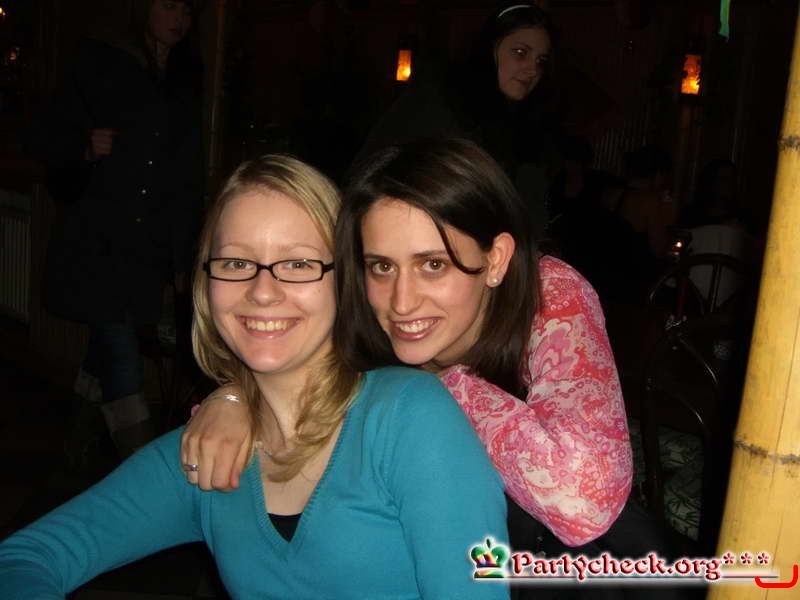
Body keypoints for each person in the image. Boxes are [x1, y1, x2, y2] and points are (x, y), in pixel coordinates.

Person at [0, 155, 509, 600]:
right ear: (206, 282)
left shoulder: (409, 420)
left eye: (298, 263)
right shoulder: (206, 455)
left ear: (345, 280)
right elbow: (25, 558)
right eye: (237, 261)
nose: (262, 291)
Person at [183, 139, 633, 556]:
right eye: (381, 266)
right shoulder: (361, 305)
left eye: (433, 264)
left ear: (496, 259)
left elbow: (583, 504)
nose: (401, 302)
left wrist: (441, 386)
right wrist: (233, 396)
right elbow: (293, 363)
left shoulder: (548, 293)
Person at [25, 0, 204, 457]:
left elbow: (185, 175)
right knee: (123, 357)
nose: (179, 18)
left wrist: (182, 255)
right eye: (169, 5)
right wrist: (85, 149)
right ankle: (142, 474)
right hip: (97, 241)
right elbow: (44, 136)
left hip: (145, 248)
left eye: (187, 9)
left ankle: (74, 448)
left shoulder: (184, 76)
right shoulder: (98, 61)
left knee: (105, 350)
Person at [354, 1, 557, 242]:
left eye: (540, 61)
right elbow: (374, 168)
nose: (532, 70)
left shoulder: (531, 125)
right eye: (520, 53)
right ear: (491, 48)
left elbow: (528, 212)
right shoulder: (441, 97)